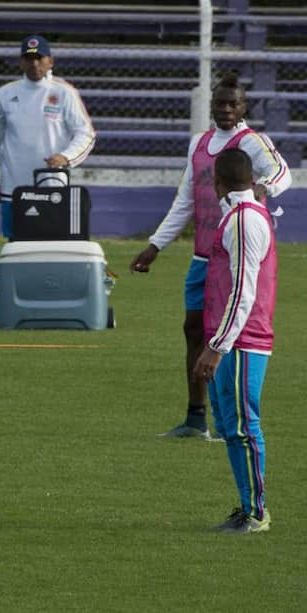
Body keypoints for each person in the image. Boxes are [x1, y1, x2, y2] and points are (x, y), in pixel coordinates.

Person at [130, 73, 290, 440]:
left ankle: (228, 419)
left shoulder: (253, 142)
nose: (226, 109)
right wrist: (156, 245)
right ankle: (195, 418)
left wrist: (265, 187)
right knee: (193, 330)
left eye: (234, 103)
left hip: (234, 255)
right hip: (202, 257)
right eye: (220, 102)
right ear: (212, 105)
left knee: (227, 333)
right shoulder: (199, 143)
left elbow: (283, 173)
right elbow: (185, 200)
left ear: (244, 107)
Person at [194, 148, 276, 534]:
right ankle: (247, 508)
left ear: (217, 183)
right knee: (232, 426)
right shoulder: (242, 214)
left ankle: (256, 513)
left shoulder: (243, 220)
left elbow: (244, 288)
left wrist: (217, 346)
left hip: (242, 339)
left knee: (243, 426)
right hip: (232, 337)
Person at [0, 34, 96, 238]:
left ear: (50, 61)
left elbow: (86, 134)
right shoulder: (5, 93)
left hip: (52, 185)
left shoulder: (64, 92)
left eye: (39, 58)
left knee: (52, 244)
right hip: (13, 186)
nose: (34, 64)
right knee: (15, 245)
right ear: (21, 62)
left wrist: (66, 157)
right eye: (29, 58)